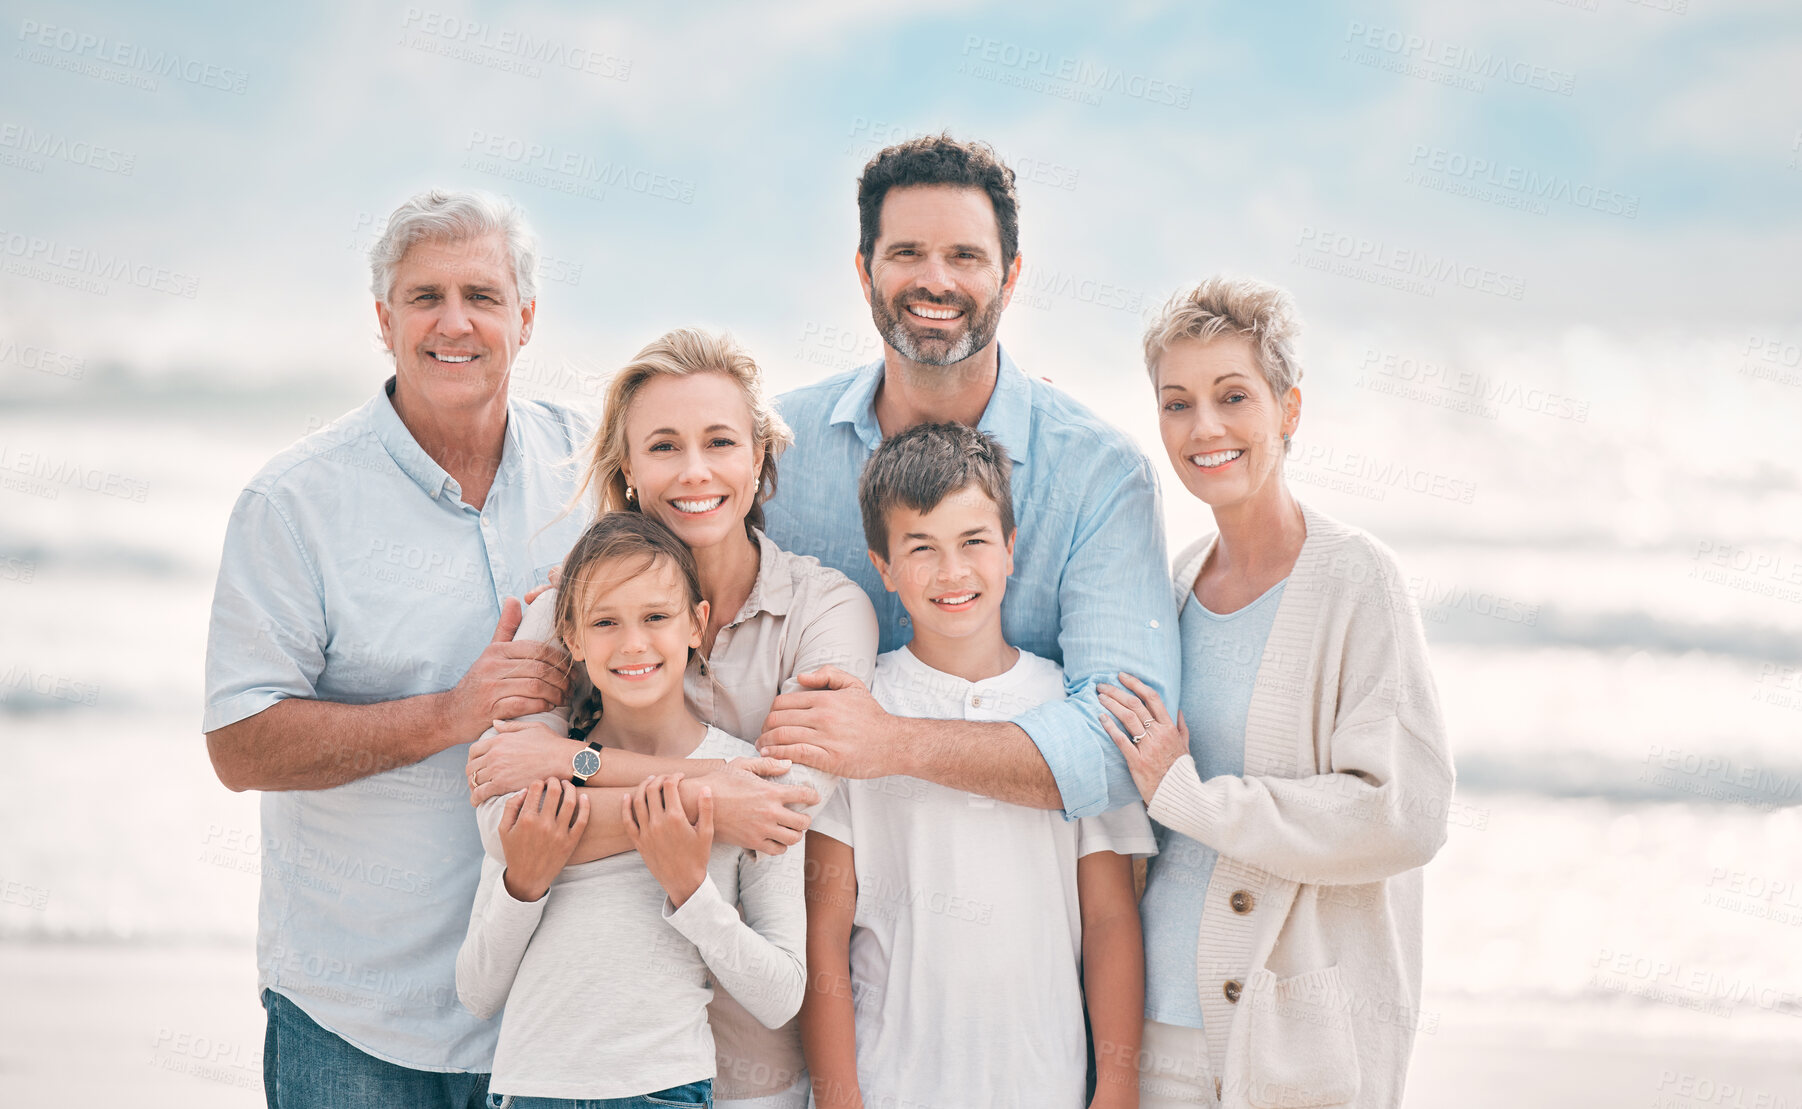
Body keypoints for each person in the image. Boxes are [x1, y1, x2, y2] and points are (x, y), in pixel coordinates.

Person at [201, 191, 813, 1108]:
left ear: (526, 318)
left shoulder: (592, 473)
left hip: (558, 1028)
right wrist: (453, 714)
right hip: (357, 1012)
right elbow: (240, 744)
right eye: (425, 297)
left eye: (483, 296)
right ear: (383, 320)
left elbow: (698, 547)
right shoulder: (294, 504)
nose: (456, 322)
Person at [463, 328, 879, 1107]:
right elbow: (504, 824)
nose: (695, 471)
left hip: (754, 1075)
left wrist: (569, 765)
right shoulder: (565, 607)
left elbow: (780, 805)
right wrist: (715, 793)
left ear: (758, 458)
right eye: (663, 446)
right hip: (573, 1062)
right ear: (627, 470)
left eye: (720, 441)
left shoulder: (827, 610)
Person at [1098, 277, 1454, 1108]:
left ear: (1288, 410)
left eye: (1233, 396)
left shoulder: (1356, 580)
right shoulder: (1175, 585)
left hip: (1291, 1042)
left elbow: (1400, 811)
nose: (1206, 428)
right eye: (1177, 403)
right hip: (1157, 1037)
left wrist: (1196, 797)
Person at [760, 133, 1180, 825]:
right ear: (864, 272)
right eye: (906, 254)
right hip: (803, 893)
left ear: (1010, 278)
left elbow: (1122, 750)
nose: (936, 280)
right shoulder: (775, 450)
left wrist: (891, 742)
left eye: (965, 256)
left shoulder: (1101, 473)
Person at [800, 421, 1156, 1109]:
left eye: (973, 542)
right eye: (921, 548)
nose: (952, 571)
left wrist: (1118, 1082)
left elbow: (1111, 915)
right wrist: (840, 1097)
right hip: (891, 1085)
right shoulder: (857, 706)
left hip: (1042, 1087)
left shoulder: (1070, 710)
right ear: (884, 567)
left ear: (1011, 548)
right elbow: (826, 933)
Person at [457, 512, 805, 1109]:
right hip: (528, 1090)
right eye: (604, 622)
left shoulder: (749, 780)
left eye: (655, 617)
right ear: (571, 637)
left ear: (696, 623)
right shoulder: (539, 767)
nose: (633, 643)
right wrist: (525, 887)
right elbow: (476, 991)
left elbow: (782, 995)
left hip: (662, 1089)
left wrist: (693, 895)